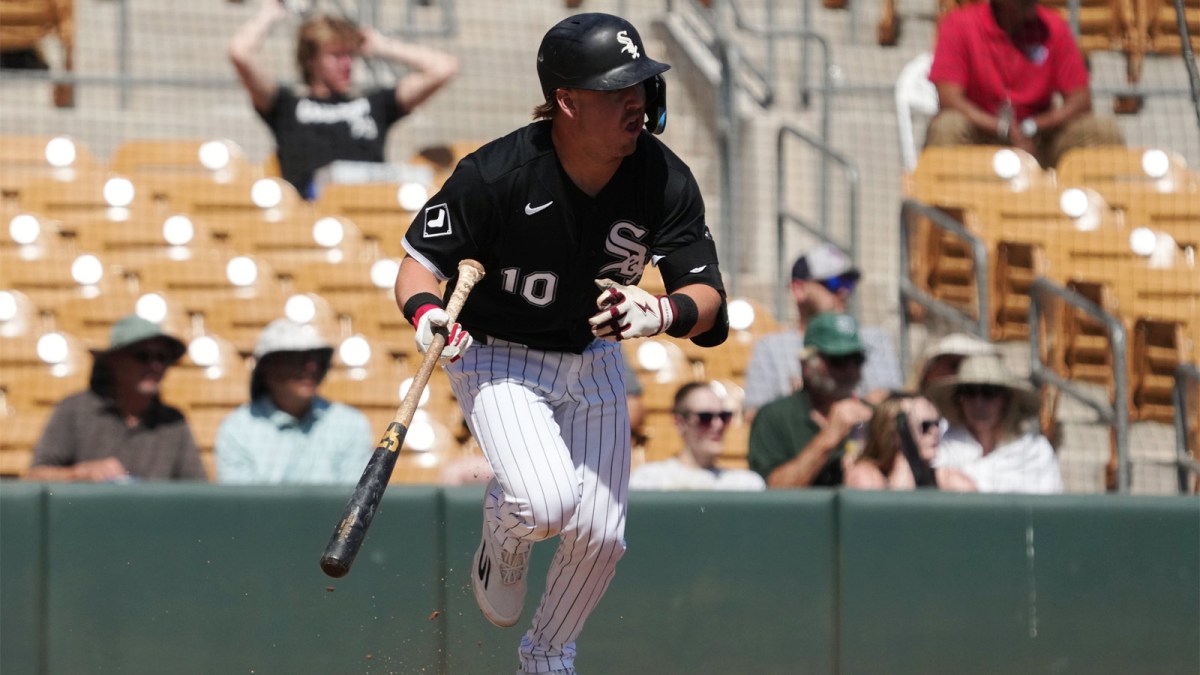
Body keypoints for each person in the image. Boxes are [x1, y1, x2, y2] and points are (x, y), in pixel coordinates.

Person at [393, 13, 728, 674]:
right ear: (567, 102)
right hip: (497, 353)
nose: (637, 100)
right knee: (545, 502)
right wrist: (425, 312)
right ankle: (504, 536)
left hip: (595, 355)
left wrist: (660, 312)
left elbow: (713, 306)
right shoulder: (497, 174)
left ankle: (547, 657)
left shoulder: (663, 177)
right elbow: (415, 266)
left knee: (603, 534)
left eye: (641, 84)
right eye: (617, 89)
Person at [229, 0, 459, 198]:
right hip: (308, 218)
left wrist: (382, 46)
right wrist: (271, 12)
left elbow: (444, 68)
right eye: (336, 55)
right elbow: (240, 52)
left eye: (350, 54)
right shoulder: (285, 106)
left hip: (369, 209)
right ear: (310, 59)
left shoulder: (376, 104)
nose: (347, 64)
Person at [925, 0, 1124, 169]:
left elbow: (1081, 100)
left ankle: (1101, 209)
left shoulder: (1052, 27)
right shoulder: (959, 24)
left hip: (1039, 138)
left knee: (1102, 130)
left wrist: (1035, 126)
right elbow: (949, 99)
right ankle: (940, 210)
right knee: (948, 126)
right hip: (981, 134)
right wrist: (1003, 128)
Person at [26, 315, 206, 482]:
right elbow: (35, 477)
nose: (155, 365)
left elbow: (198, 491)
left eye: (163, 357)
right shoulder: (74, 411)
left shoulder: (174, 422)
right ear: (114, 361)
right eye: (142, 356)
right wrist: (81, 473)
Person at [742, 242, 902, 421]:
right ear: (798, 289)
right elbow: (754, 416)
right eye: (833, 283)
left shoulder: (873, 339)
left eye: (848, 283)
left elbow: (889, 401)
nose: (843, 291)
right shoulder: (771, 348)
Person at [215, 318, 372, 484]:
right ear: (268, 368)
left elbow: (357, 501)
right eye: (297, 359)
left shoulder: (349, 424)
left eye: (316, 359)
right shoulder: (237, 428)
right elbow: (241, 505)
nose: (312, 367)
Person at [748, 312, 874, 488]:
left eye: (857, 359)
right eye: (839, 360)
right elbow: (771, 492)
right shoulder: (774, 417)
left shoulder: (874, 416)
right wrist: (828, 438)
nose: (851, 370)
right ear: (807, 364)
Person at [927, 353, 1063, 493]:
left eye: (989, 392)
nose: (978, 403)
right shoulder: (943, 446)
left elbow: (1050, 510)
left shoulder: (1034, 451)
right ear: (959, 399)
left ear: (1006, 399)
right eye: (969, 392)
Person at [630, 382, 765, 491]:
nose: (717, 425)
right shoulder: (649, 481)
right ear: (680, 423)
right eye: (705, 418)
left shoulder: (745, 485)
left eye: (724, 417)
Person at [845, 393, 976, 491]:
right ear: (895, 430)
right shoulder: (866, 477)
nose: (935, 432)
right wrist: (906, 456)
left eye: (937, 424)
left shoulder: (949, 481)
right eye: (925, 426)